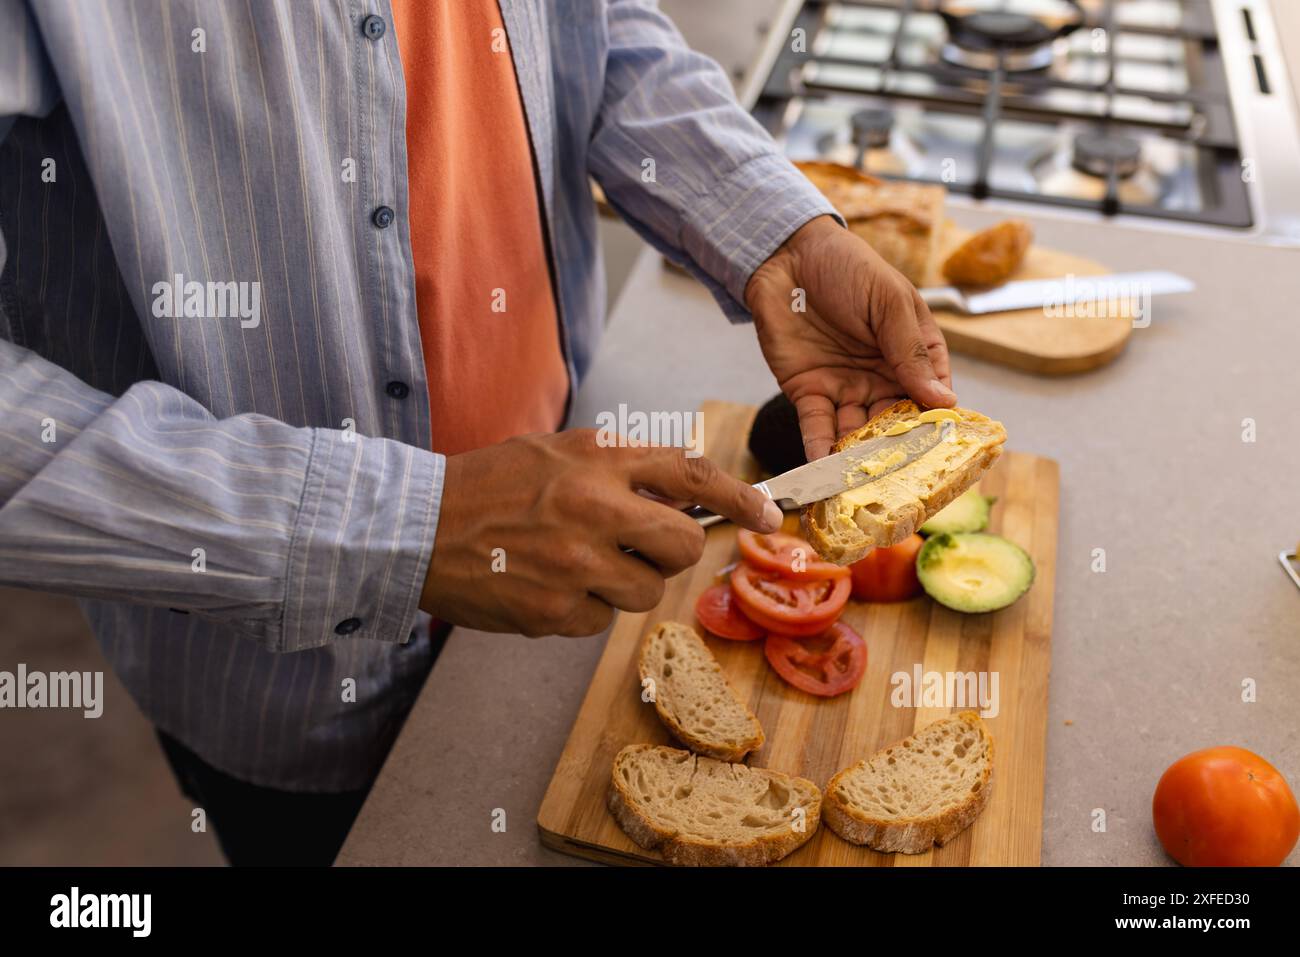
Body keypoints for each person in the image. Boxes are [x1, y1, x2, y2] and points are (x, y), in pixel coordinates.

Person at [0, 0, 954, 864]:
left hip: (574, 562)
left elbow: (601, 28)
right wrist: (407, 528)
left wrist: (777, 238)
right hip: (283, 680)